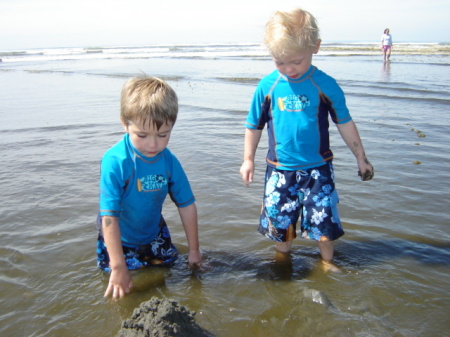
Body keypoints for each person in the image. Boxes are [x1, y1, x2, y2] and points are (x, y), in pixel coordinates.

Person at [239, 9, 374, 271]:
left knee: (323, 220)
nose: (289, 69)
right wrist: (247, 160)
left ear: (316, 47)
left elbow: (344, 122)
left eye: (296, 61)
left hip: (318, 170)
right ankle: (282, 259)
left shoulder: (325, 84)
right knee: (280, 224)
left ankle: (327, 262)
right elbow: (253, 125)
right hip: (279, 170)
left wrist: (361, 158)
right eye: (280, 62)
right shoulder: (267, 86)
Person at [97, 76, 202, 299]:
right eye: (142, 135)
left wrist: (194, 251)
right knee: (126, 290)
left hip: (155, 233)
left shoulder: (169, 161)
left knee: (166, 275)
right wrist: (118, 267)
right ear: (125, 123)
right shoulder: (116, 161)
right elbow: (109, 216)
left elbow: (187, 205)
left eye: (163, 135)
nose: (154, 145)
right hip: (119, 238)